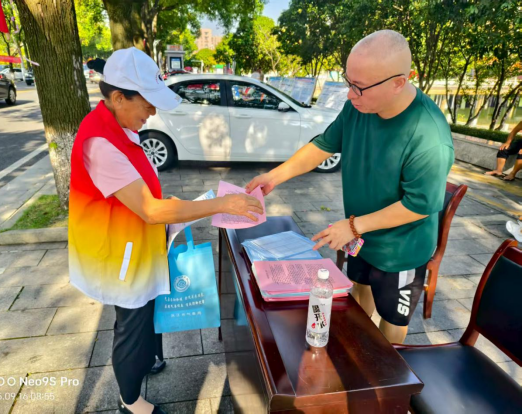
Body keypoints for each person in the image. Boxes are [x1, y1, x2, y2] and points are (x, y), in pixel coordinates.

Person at [69, 48, 263, 415]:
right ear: (117, 97)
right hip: (119, 252)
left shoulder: (120, 127)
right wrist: (221, 204)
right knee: (131, 324)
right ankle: (130, 401)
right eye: (147, 104)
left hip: (136, 239)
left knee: (144, 315)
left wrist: (178, 205)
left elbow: (142, 195)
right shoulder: (100, 142)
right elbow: (150, 209)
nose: (152, 113)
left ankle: (149, 359)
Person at [246, 30, 454, 345]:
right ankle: (358, 350)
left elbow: (419, 205)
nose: (349, 94)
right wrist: (275, 176)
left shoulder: (429, 136)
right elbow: (324, 145)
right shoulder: (359, 106)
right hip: (360, 234)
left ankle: (387, 365)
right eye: (348, 82)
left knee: (392, 318)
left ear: (399, 82)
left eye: (359, 87)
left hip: (401, 248)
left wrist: (354, 226)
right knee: (359, 290)